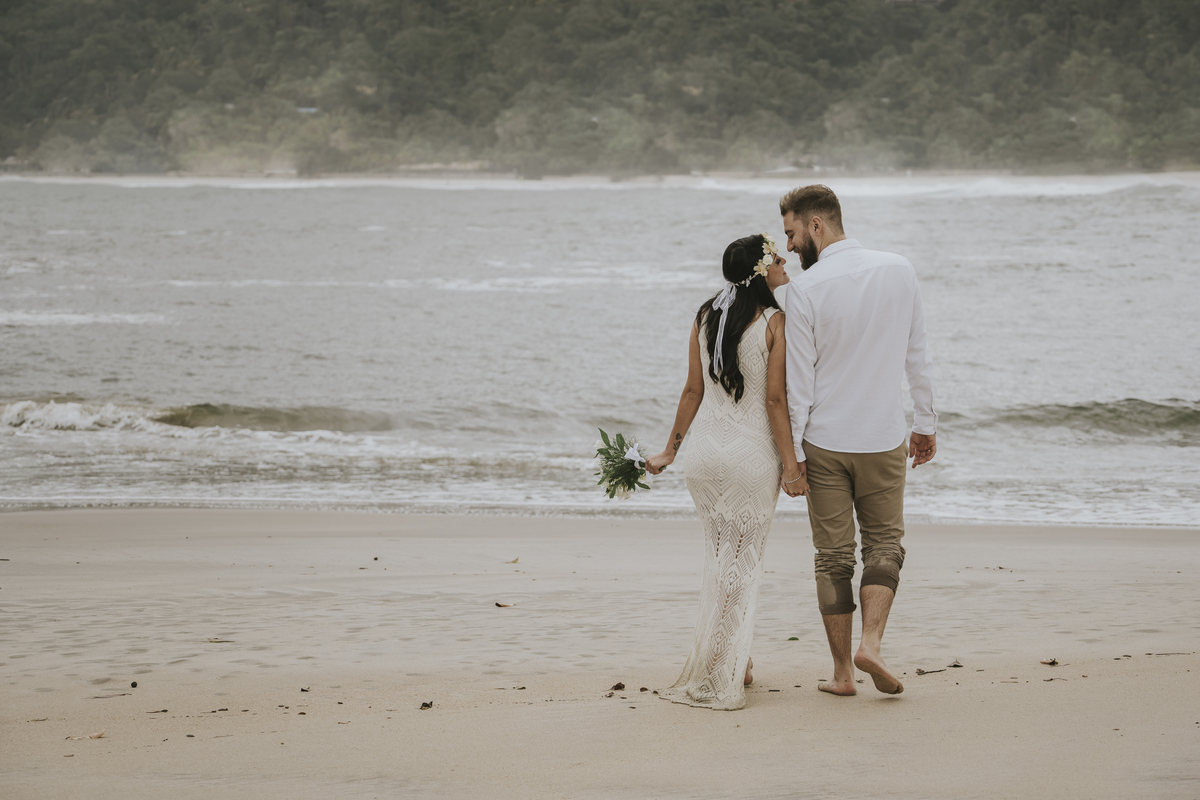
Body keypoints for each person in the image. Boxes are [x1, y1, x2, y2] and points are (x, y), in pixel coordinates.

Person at [780, 184, 938, 697]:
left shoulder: (805, 289)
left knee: (833, 557)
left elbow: (799, 383)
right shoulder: (900, 269)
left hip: (825, 442)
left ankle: (843, 674)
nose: (789, 247)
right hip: (883, 436)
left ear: (817, 225)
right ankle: (871, 643)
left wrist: (793, 456)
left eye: (792, 233)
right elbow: (917, 354)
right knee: (885, 545)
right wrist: (925, 422)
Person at [645, 233, 805, 710]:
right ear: (759, 272)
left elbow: (692, 391)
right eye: (774, 257)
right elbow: (774, 400)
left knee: (721, 560)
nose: (783, 260)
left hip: (704, 455)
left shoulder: (705, 315)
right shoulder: (775, 321)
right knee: (742, 564)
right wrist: (792, 467)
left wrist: (670, 451)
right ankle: (721, 666)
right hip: (750, 457)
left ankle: (739, 659)